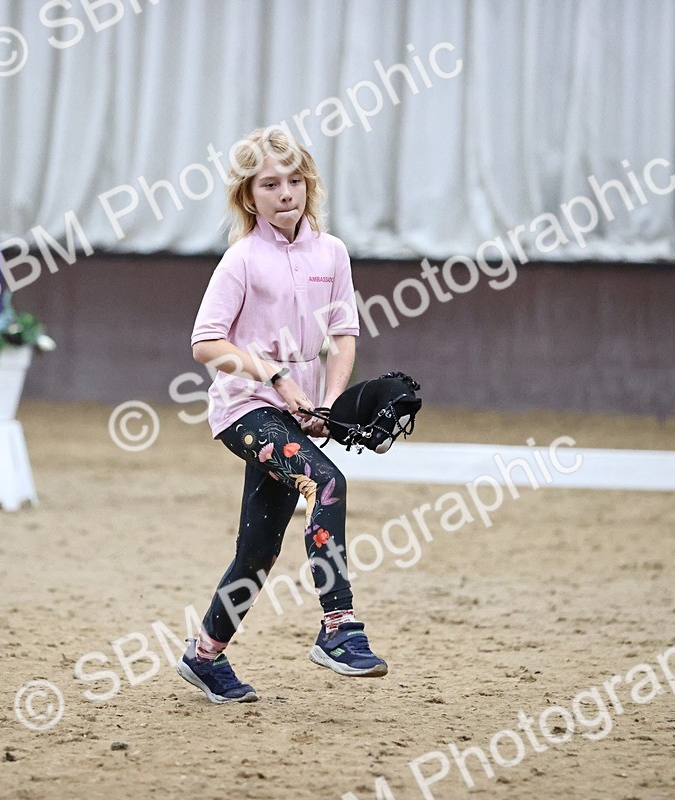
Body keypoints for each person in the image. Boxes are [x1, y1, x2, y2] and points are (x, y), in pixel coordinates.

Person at [177, 128, 388, 705]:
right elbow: (204, 344)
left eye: (294, 180)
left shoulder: (332, 253)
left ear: (308, 185)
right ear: (250, 195)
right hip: (244, 408)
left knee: (258, 549)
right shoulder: (241, 259)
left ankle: (204, 657)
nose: (285, 192)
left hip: (298, 413)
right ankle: (338, 626)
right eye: (270, 183)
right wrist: (272, 375)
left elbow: (344, 335)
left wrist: (333, 405)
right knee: (326, 480)